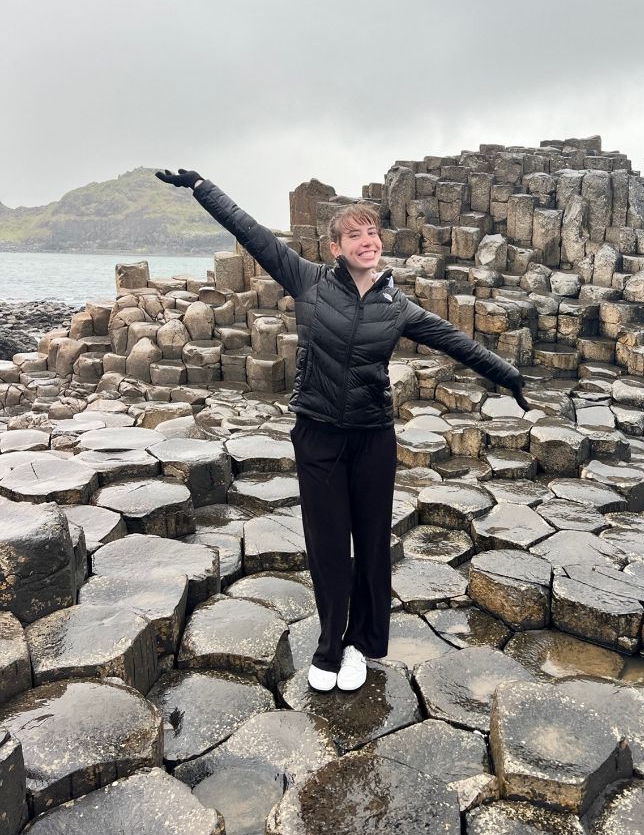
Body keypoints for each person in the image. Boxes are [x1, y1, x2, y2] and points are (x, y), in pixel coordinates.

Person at [156, 168, 530, 693]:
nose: (367, 242)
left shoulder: (397, 307)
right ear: (335, 246)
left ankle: (361, 644)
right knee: (329, 546)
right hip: (318, 436)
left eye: (372, 233)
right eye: (354, 235)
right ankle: (329, 644)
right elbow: (251, 232)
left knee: (373, 545)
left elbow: (455, 341)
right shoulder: (307, 282)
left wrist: (508, 375)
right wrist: (202, 188)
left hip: (372, 438)